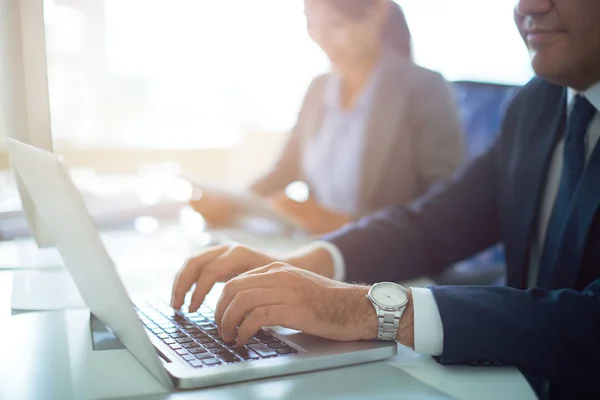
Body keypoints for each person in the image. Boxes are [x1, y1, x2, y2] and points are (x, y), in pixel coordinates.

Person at [172, 0, 600, 398]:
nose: (528, 7)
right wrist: (299, 264)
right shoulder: (536, 103)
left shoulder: (425, 88)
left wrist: (365, 309)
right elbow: (432, 223)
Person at [190, 0, 464, 235]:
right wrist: (233, 203)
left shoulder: (425, 89)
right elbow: (284, 171)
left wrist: (347, 222)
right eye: (311, 22)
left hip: (390, 266)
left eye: (336, 25)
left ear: (379, 10)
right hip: (316, 250)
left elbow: (446, 207)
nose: (321, 38)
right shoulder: (319, 88)